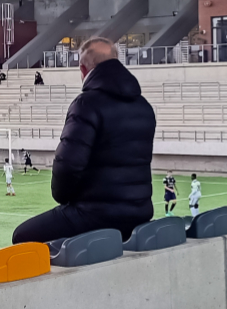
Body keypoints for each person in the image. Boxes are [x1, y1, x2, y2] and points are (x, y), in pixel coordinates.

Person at [12, 37, 156, 243]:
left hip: (95, 215)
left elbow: (68, 165)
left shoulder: (86, 104)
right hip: (140, 212)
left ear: (83, 69)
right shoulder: (143, 106)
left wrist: (64, 199)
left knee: (23, 236)